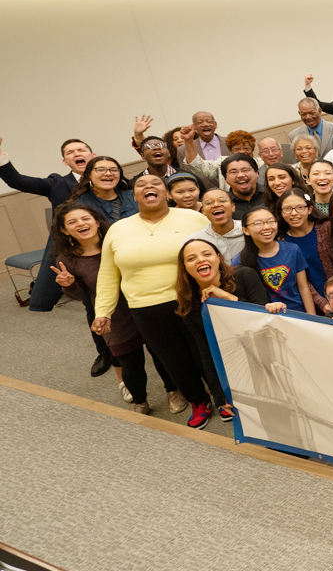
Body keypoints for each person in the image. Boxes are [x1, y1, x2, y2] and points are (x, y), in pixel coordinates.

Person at [93, 173, 214, 427]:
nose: (149, 187)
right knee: (174, 360)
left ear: (167, 193)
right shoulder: (118, 229)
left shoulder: (193, 218)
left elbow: (216, 255)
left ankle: (225, 399)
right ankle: (199, 401)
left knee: (207, 354)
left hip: (193, 300)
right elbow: (107, 273)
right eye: (141, 185)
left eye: (156, 183)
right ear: (133, 196)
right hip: (145, 308)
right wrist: (102, 311)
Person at [52, 203, 160, 412]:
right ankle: (140, 401)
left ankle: (173, 391)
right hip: (113, 316)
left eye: (85, 218)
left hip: (145, 304)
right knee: (130, 363)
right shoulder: (67, 259)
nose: (81, 224)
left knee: (162, 354)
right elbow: (81, 295)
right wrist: (69, 285)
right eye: (72, 222)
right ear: (64, 231)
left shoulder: (119, 240)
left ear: (96, 220)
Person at [176, 237, 277, 419]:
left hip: (268, 351)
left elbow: (264, 319)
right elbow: (206, 352)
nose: (200, 260)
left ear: (218, 257)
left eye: (206, 254)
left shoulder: (245, 275)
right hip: (235, 363)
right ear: (184, 267)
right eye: (191, 258)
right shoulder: (189, 304)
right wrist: (219, 395)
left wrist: (227, 297)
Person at [0, 135, 95, 313]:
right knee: (92, 303)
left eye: (81, 150)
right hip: (76, 253)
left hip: (108, 248)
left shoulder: (109, 178)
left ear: (93, 155)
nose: (76, 153)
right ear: (65, 161)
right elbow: (17, 181)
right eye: (70, 152)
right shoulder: (56, 183)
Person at [275, 189, 333, 311]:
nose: (294, 213)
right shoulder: (280, 242)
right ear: (281, 212)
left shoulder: (327, 227)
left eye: (300, 207)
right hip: (310, 304)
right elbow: (301, 281)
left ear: (310, 209)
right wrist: (322, 303)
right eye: (287, 209)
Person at [188, 188, 245, 262]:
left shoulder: (249, 230)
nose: (216, 205)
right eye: (209, 203)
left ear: (233, 207)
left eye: (222, 201)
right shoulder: (196, 240)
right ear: (203, 211)